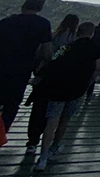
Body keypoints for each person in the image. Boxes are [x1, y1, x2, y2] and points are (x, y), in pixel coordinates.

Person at [33, 21, 100, 172]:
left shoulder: (68, 47)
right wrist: (88, 84)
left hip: (58, 87)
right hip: (78, 89)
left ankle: (42, 157)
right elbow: (97, 69)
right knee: (66, 118)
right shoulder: (95, 49)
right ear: (91, 33)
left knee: (52, 120)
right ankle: (55, 146)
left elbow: (54, 61)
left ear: (78, 32)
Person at [25, 14, 79, 152]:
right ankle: (49, 143)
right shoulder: (75, 41)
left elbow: (40, 54)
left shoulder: (53, 35)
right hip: (62, 82)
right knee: (54, 114)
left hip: (43, 78)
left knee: (37, 110)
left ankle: (32, 141)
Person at [0, 0, 52, 132]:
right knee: (11, 106)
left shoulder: (6, 22)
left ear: (24, 5)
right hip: (22, 70)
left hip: (1, 66)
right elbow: (47, 53)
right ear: (40, 8)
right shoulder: (43, 24)